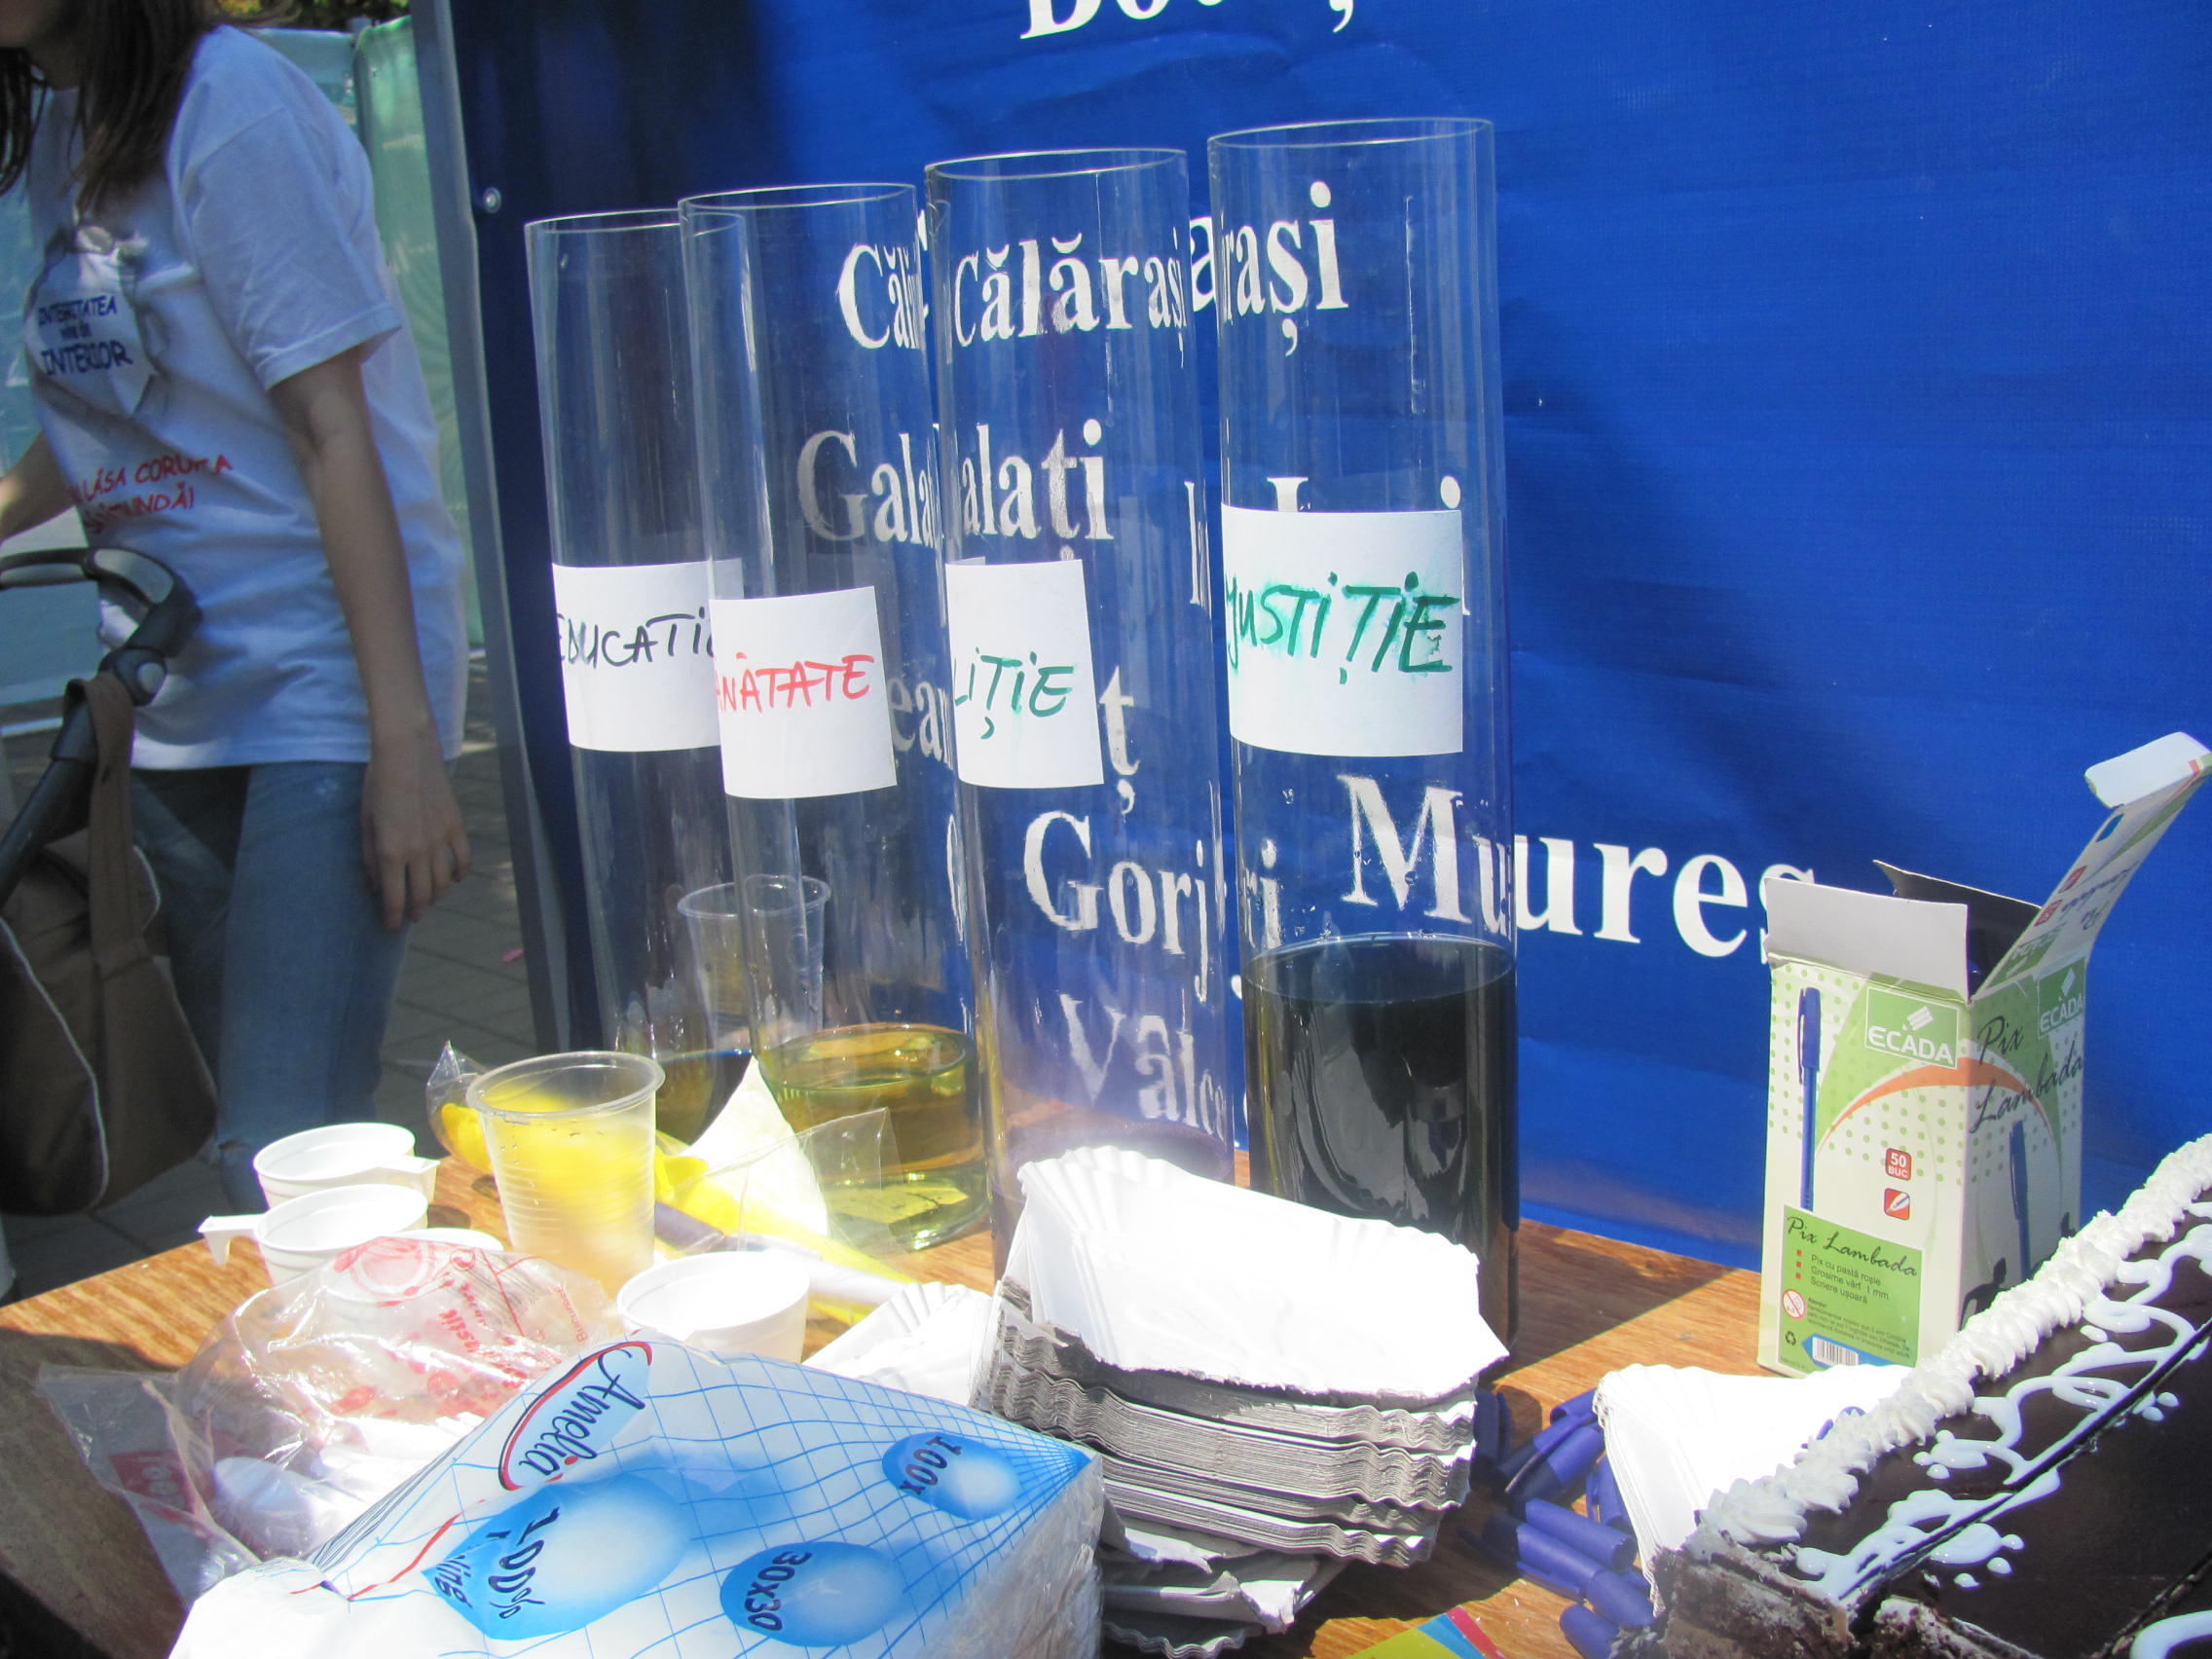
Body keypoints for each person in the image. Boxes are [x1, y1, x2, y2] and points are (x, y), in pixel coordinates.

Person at [0, 0, 471, 1208]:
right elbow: (108, 413)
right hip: (169, 700)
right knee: (237, 1141)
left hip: (324, 683)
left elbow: (330, 429)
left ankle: (359, 1326)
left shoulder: (231, 102)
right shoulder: (63, 126)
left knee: (281, 1147)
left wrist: (404, 747)